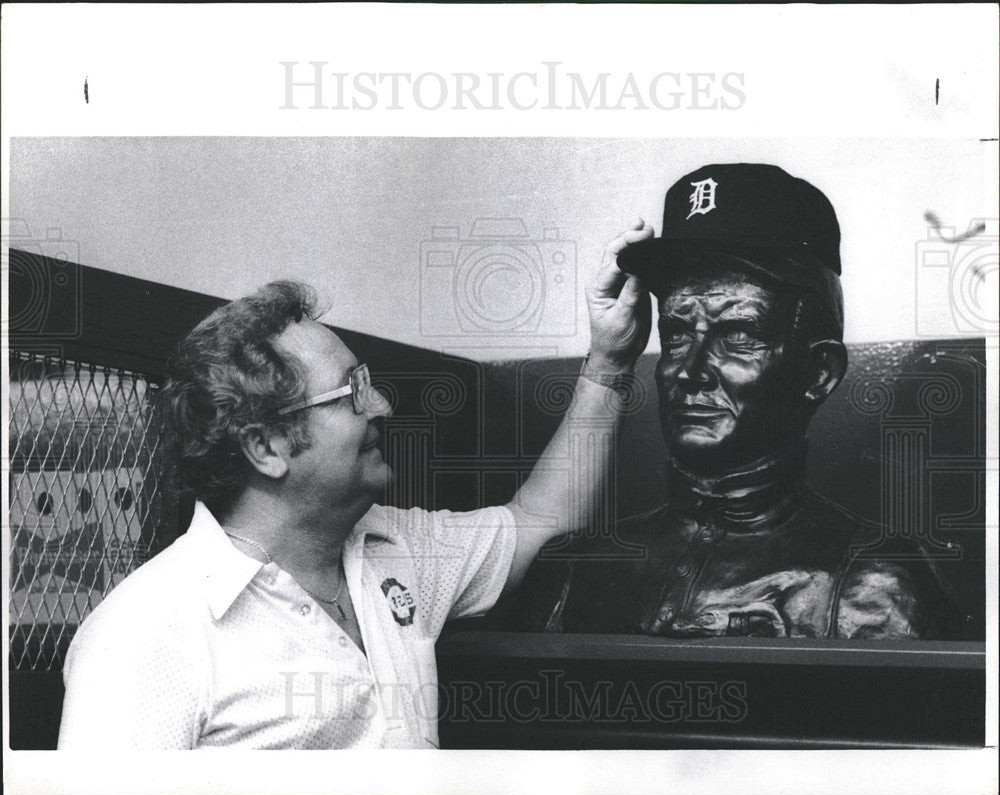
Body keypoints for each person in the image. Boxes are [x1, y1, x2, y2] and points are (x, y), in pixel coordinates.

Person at [57, 227, 653, 749]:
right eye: (351, 394)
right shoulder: (141, 636)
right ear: (266, 448)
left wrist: (610, 361)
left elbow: (540, 521)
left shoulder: (398, 552)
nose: (383, 406)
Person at [511, 163, 961, 639]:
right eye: (678, 333)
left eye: (738, 334)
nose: (690, 370)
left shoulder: (877, 584)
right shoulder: (578, 567)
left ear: (819, 372)